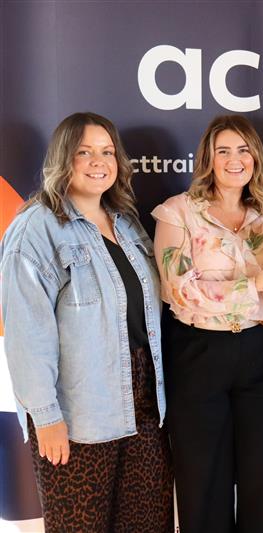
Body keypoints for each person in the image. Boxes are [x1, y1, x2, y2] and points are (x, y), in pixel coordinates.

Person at [0, 112, 173, 531]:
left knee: (146, 524)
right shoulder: (36, 229)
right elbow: (27, 334)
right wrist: (46, 418)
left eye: (107, 152)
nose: (99, 161)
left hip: (145, 409)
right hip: (79, 418)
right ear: (64, 159)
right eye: (84, 152)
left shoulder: (127, 223)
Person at [152, 115, 263, 533]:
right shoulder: (178, 213)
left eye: (243, 150)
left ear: (256, 158)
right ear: (208, 159)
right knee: (202, 478)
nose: (235, 160)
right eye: (223, 151)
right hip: (199, 354)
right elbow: (176, 290)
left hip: (260, 354)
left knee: (262, 478)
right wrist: (254, 284)